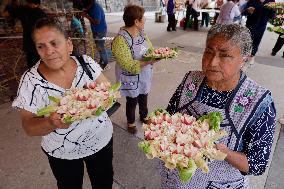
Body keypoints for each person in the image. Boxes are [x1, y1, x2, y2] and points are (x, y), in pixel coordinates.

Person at [160, 24, 276, 188]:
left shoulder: (259, 101)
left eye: (225, 55)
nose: (212, 62)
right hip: (175, 179)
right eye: (208, 52)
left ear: (244, 59)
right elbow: (168, 117)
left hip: (219, 184)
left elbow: (257, 165)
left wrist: (223, 152)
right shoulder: (191, 80)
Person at [12, 17, 113, 189]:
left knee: (103, 182)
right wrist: (50, 122)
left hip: (100, 139)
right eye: (41, 46)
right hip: (62, 152)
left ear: (69, 44)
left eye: (54, 43)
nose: (48, 51)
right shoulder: (31, 81)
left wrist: (97, 99)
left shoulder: (86, 63)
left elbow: (109, 93)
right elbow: (28, 126)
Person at [111, 5, 158, 134]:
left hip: (144, 74)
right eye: (143, 18)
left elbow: (150, 49)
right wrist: (149, 61)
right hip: (130, 77)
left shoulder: (142, 33)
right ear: (136, 22)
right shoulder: (120, 40)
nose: (145, 20)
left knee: (144, 96)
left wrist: (156, 55)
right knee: (132, 100)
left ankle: (144, 116)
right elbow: (128, 64)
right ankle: (130, 122)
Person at [3, 0, 47, 69]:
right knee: (42, 65)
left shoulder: (23, 10)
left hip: (29, 45)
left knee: (32, 67)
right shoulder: (42, 13)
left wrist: (12, 3)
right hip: (41, 44)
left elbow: (5, 14)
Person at [81, 0, 109, 71]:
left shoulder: (96, 8)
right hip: (96, 30)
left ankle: (105, 64)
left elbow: (97, 22)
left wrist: (86, 16)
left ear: (90, 4)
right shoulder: (91, 6)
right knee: (99, 47)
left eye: (86, 7)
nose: (86, 8)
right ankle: (102, 61)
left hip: (100, 31)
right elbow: (87, 11)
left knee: (101, 47)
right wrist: (85, 12)